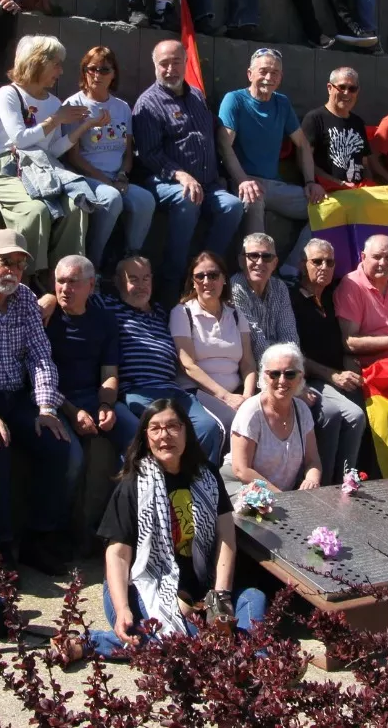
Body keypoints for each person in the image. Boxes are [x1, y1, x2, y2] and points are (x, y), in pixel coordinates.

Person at [91, 396, 267, 658]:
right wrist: (122, 608)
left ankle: (244, 655)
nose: (165, 435)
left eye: (173, 426)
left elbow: (226, 536)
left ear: (186, 430)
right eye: (156, 428)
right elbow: (117, 555)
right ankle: (252, 657)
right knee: (185, 639)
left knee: (254, 598)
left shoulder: (207, 474)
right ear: (146, 437)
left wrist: (221, 596)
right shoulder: (133, 485)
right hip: (143, 587)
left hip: (200, 588)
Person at [0, 230, 83, 575]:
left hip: (18, 398)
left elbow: (40, 357)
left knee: (58, 444)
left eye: (19, 264)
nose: (13, 270)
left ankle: (37, 540)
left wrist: (45, 407)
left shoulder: (26, 298)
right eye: (5, 262)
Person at [132, 39, 246, 303]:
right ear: (155, 66)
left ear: (185, 62)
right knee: (187, 198)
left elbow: (212, 131)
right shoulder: (147, 104)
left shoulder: (196, 95)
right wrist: (180, 174)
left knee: (233, 206)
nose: (170, 69)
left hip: (208, 183)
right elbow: (149, 155)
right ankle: (172, 282)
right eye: (164, 63)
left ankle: (205, 270)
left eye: (176, 62)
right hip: (163, 181)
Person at [0, 35, 105, 280]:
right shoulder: (9, 93)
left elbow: (52, 151)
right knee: (35, 211)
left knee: (76, 207)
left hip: (44, 168)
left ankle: (64, 279)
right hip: (10, 168)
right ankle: (28, 278)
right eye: (56, 64)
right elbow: (20, 139)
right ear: (38, 62)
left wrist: (84, 127)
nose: (61, 71)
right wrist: (56, 119)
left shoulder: (54, 103)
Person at [99, 255, 226, 463]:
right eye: (134, 279)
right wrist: (49, 299)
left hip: (173, 391)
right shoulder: (108, 306)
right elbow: (76, 292)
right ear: (118, 281)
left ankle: (200, 489)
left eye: (146, 278)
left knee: (207, 427)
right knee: (154, 432)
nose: (141, 285)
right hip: (136, 391)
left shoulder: (161, 313)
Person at [217, 48, 326, 274]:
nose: (269, 77)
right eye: (263, 71)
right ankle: (253, 277)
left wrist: (309, 182)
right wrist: (242, 180)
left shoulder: (282, 103)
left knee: (325, 209)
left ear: (281, 78)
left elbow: (303, 145)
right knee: (253, 201)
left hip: (275, 185)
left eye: (275, 73)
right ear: (249, 74)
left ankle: (290, 269)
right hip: (244, 181)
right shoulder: (234, 99)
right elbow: (224, 145)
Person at [37, 255, 139, 482]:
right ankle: (57, 518)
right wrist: (73, 412)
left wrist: (106, 404)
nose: (65, 289)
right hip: (53, 399)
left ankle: (123, 510)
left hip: (93, 397)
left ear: (91, 285)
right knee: (71, 458)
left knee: (138, 439)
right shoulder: (45, 318)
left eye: (73, 282)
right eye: (60, 281)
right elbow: (37, 376)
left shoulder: (104, 320)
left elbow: (109, 374)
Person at [62, 46, 156, 270]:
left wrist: (123, 175)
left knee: (145, 200)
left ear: (114, 74)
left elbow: (127, 151)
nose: (97, 74)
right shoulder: (73, 105)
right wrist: (105, 180)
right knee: (112, 198)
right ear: (84, 72)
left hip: (117, 177)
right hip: (87, 176)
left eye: (104, 70)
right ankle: (93, 262)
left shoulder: (122, 108)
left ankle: (130, 261)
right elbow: (73, 157)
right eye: (91, 68)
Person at [289, 239, 367, 483]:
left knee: (368, 408)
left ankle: (347, 480)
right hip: (310, 376)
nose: (324, 266)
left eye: (329, 262)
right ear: (303, 264)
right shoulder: (291, 299)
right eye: (317, 261)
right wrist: (332, 375)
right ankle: (327, 484)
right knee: (347, 415)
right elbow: (296, 353)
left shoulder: (335, 297)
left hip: (337, 375)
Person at [171, 251, 259, 443]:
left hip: (238, 392)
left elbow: (248, 363)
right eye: (199, 276)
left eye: (213, 275)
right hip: (198, 391)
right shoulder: (182, 313)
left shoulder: (236, 315)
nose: (206, 281)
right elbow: (188, 365)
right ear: (193, 282)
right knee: (235, 424)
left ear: (224, 279)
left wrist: (247, 397)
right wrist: (227, 398)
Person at [229, 342, 323, 492]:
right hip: (245, 489)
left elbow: (313, 460)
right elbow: (241, 470)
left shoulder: (302, 410)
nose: (282, 381)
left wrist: (311, 479)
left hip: (283, 495)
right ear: (264, 377)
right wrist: (282, 497)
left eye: (290, 374)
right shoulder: (251, 411)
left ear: (300, 377)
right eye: (275, 374)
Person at [300, 67, 388, 189]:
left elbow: (364, 163)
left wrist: (369, 183)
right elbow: (303, 160)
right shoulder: (314, 119)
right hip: (327, 192)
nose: (346, 93)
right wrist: (337, 183)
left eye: (352, 89)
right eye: (341, 87)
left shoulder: (358, 122)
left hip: (358, 192)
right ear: (330, 88)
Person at [337, 235, 388, 360]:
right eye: (377, 257)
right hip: (371, 368)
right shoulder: (352, 284)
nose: (383, 263)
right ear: (363, 257)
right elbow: (349, 343)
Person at [229, 232, 300, 359]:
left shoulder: (280, 288)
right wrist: (279, 364)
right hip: (250, 367)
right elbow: (254, 340)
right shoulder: (235, 287)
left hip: (281, 365)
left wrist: (289, 361)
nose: (260, 262)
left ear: (275, 263)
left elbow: (289, 335)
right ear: (241, 261)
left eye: (267, 257)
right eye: (253, 256)